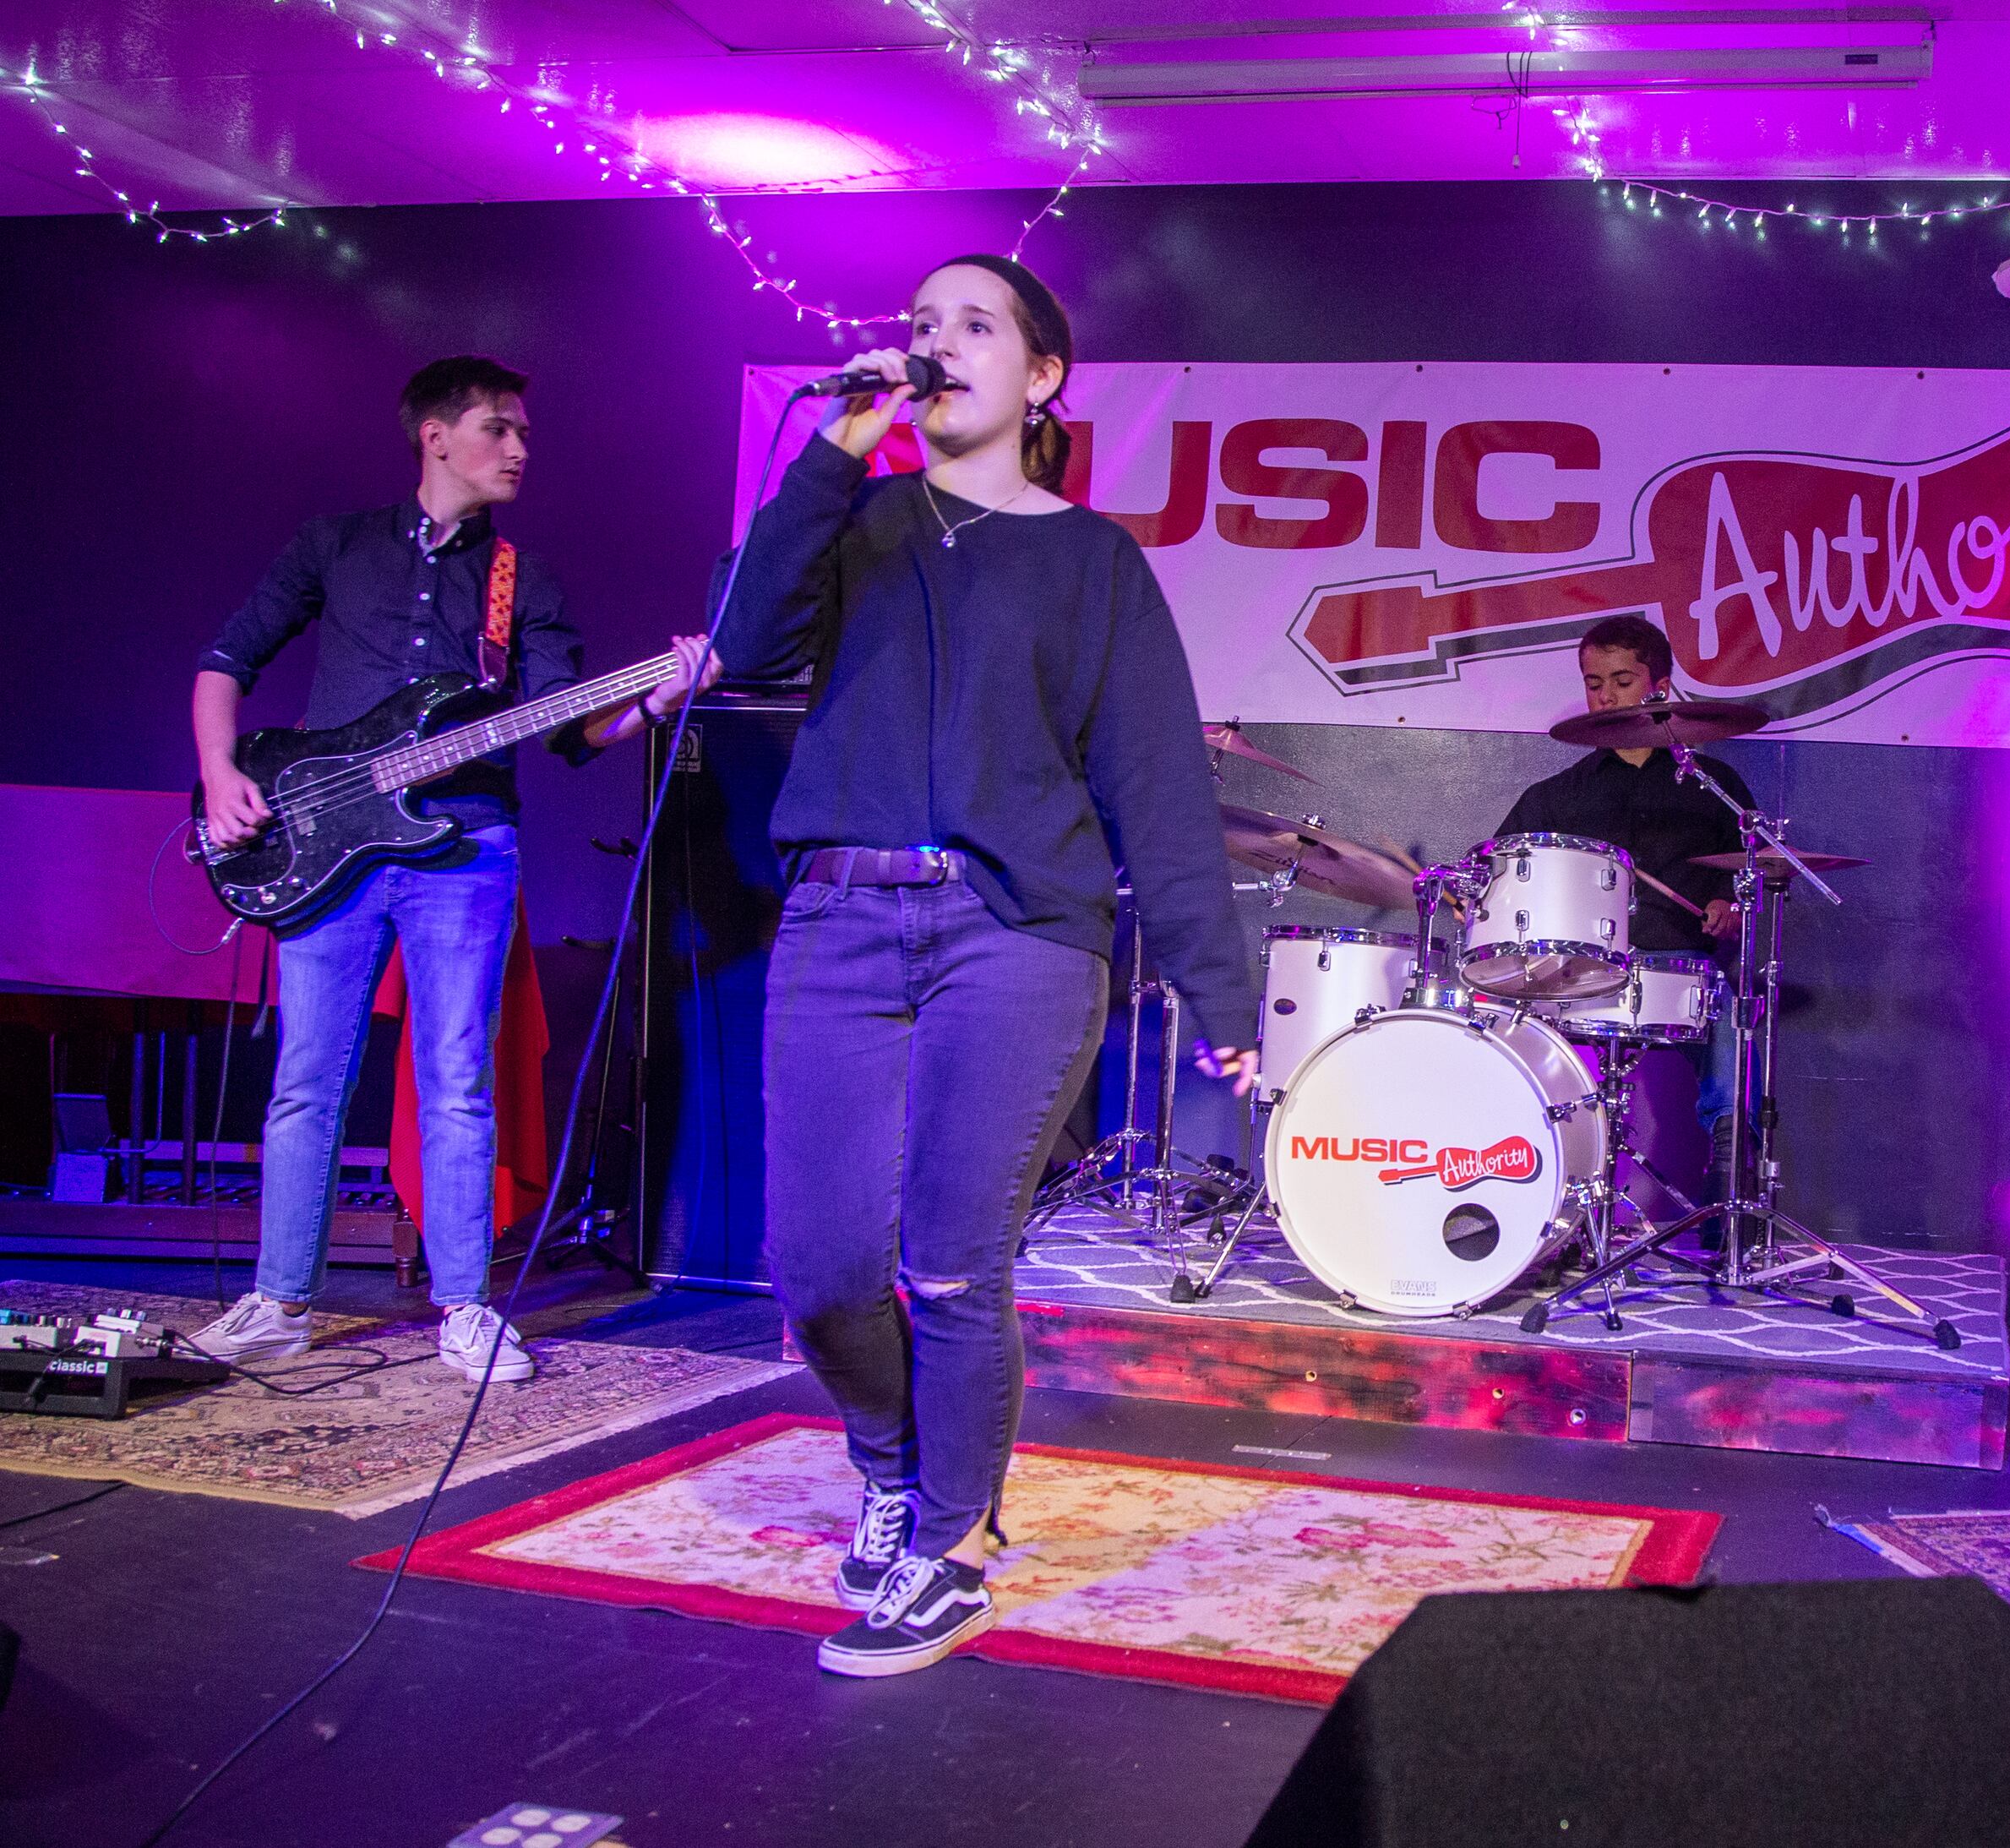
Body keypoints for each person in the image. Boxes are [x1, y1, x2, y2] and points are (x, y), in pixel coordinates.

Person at [718, 253, 1260, 1679]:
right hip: (838, 920)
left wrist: (1219, 990)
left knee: (955, 1266)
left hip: (1012, 934)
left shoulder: (1093, 563)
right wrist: (835, 456)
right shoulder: (856, 520)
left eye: (974, 324)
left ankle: (951, 1543)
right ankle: (892, 1464)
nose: (936, 344)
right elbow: (742, 643)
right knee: (821, 1268)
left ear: (1042, 377)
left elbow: (1158, 786)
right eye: (921, 325)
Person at [189, 356, 713, 1382]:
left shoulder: (525, 580)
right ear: (435, 436)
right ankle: (278, 1302)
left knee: (458, 1081)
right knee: (307, 1080)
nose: (518, 449)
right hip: (325, 847)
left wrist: (657, 697)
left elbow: (569, 729)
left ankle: (466, 1309)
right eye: (497, 429)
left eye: (524, 434)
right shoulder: (337, 545)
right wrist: (219, 775)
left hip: (465, 850)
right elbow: (225, 661)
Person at [1493, 614, 1748, 1215]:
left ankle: (1732, 1169)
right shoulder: (1556, 795)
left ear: (1659, 686)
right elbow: (1498, 873)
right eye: (1593, 682)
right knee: (1503, 1015)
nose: (1605, 696)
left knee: (1728, 1015)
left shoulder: (1713, 787)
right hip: (1574, 971)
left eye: (1622, 681)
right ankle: (1525, 1181)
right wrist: (1474, 895)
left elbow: (1747, 874)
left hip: (1675, 966)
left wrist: (1729, 905)